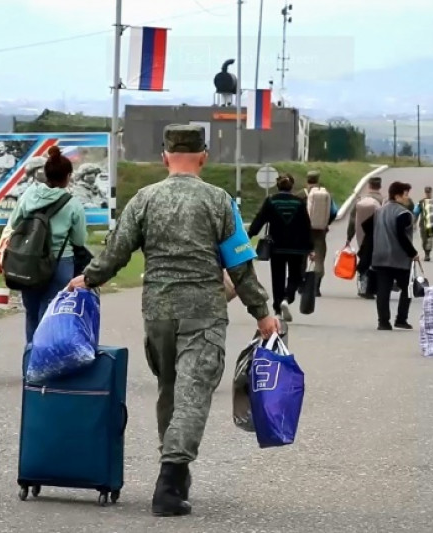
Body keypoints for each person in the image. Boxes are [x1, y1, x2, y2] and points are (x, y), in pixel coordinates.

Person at [65, 124, 278, 517]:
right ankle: (170, 480)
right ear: (204, 156)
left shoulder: (144, 199)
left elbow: (116, 251)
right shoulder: (219, 202)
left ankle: (175, 474)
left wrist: (89, 279)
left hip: (158, 314)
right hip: (204, 313)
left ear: (164, 156)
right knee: (193, 395)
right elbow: (241, 267)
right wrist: (263, 313)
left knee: (171, 390)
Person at [0, 146, 88, 345]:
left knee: (31, 313)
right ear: (68, 176)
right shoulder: (72, 204)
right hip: (60, 263)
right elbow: (79, 240)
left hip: (28, 261)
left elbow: (14, 223)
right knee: (52, 314)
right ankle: (48, 362)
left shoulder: (28, 195)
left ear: (45, 173)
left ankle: (31, 363)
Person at [248, 174, 313, 322]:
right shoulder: (299, 202)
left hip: (276, 246)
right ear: (292, 186)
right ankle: (287, 298)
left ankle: (277, 309)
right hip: (297, 247)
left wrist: (248, 237)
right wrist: (311, 247)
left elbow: (259, 220)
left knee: (277, 276)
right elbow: (306, 225)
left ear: (277, 186)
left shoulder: (271, 201)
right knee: (295, 275)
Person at [371, 182, 418, 330]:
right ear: (397, 195)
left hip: (379, 256)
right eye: (405, 194)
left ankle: (383, 322)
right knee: (407, 288)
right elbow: (401, 236)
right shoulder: (403, 214)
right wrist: (413, 253)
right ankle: (401, 319)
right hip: (398, 258)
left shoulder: (379, 211)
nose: (407, 198)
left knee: (383, 290)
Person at [346, 176, 384, 298]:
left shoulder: (360, 200)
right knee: (375, 262)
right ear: (380, 186)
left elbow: (352, 220)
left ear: (369, 186)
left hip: (361, 238)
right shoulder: (383, 201)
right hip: (378, 238)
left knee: (363, 260)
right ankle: (373, 288)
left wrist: (349, 237)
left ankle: (362, 287)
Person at [300, 170, 332, 296]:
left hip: (303, 232)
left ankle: (302, 285)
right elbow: (333, 211)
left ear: (307, 180)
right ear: (318, 180)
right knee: (319, 259)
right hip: (320, 231)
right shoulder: (325, 194)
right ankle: (316, 287)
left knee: (301, 260)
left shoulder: (301, 194)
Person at [413, 186, 433, 261]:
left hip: (432, 223)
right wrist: (414, 223)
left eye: (429, 192)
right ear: (425, 192)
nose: (428, 194)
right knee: (424, 239)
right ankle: (426, 252)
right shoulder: (420, 202)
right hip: (423, 223)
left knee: (430, 239)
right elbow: (416, 213)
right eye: (427, 192)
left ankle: (427, 254)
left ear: (431, 192)